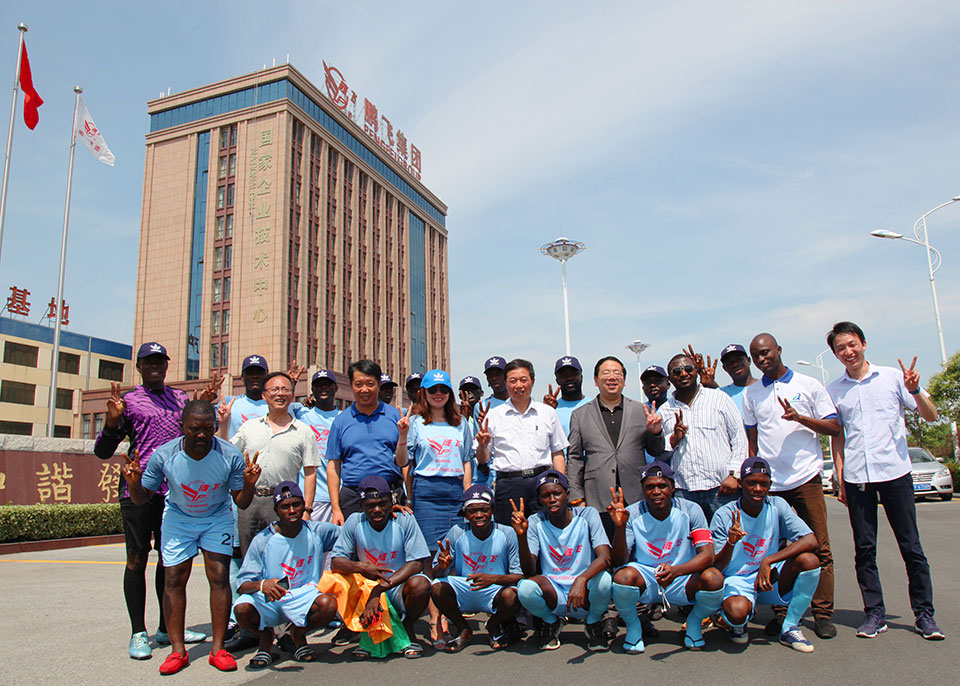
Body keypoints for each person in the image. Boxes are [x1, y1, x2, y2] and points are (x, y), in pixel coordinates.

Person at [94, 341, 221, 659]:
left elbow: (200, 433)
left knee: (172, 561)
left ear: (167, 365)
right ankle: (139, 633)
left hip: (175, 492)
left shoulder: (180, 399)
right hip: (139, 491)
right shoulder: (128, 401)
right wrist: (113, 421)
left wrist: (205, 404)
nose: (155, 366)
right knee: (136, 560)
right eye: (148, 361)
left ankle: (167, 628)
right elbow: (103, 451)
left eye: (160, 361)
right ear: (138, 367)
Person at [121, 400, 259, 674]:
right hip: (179, 518)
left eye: (208, 428)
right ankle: (177, 651)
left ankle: (218, 649)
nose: (202, 435)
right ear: (182, 426)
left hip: (216, 517)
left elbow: (241, 502)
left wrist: (249, 485)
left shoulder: (230, 455)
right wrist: (134, 483)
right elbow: (141, 499)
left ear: (215, 426)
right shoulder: (164, 455)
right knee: (173, 578)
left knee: (219, 576)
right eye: (194, 429)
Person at [825, 321, 943, 640]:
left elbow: (931, 415)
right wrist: (840, 477)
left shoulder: (893, 377)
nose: (848, 352)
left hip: (895, 474)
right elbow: (838, 437)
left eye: (852, 344)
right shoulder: (834, 390)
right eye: (840, 348)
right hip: (858, 478)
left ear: (864, 344)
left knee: (911, 547)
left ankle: (924, 615)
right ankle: (874, 613)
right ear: (835, 355)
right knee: (865, 550)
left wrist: (915, 389)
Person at [742, 333, 840, 639]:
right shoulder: (752, 394)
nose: (762, 359)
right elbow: (752, 440)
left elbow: (834, 426)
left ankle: (822, 613)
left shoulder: (809, 384)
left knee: (819, 546)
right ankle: (782, 612)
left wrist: (801, 418)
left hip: (806, 478)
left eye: (766, 352)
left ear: (779, 350)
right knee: (774, 549)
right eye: (756, 356)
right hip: (772, 485)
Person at [709, 457, 823, 653]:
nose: (758, 489)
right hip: (738, 579)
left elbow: (811, 540)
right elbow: (717, 566)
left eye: (763, 483)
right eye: (751, 483)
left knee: (810, 561)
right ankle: (736, 621)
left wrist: (769, 560)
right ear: (741, 484)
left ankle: (789, 627)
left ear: (770, 485)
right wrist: (731, 542)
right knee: (737, 612)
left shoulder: (777, 505)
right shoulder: (725, 514)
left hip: (768, 576)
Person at [607, 461, 723, 653]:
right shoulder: (631, 513)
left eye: (662, 486)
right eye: (650, 487)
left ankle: (694, 624)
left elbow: (708, 555)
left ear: (672, 487)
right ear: (643, 489)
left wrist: (676, 571)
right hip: (647, 576)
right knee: (622, 577)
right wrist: (619, 528)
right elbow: (619, 561)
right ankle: (634, 628)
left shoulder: (691, 510)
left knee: (714, 578)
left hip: (681, 575)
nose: (656, 491)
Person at [233, 481, 341, 667]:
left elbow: (352, 533)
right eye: (285, 507)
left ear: (304, 505)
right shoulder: (263, 540)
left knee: (329, 604)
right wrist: (262, 584)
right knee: (241, 609)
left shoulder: (317, 531)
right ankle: (265, 638)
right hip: (271, 598)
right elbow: (242, 584)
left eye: (296, 505)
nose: (292, 511)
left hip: (303, 596)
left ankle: (297, 633)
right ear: (276, 510)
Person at [331, 475, 432, 658]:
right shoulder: (354, 521)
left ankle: (406, 628)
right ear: (361, 505)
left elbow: (417, 563)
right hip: (366, 588)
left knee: (421, 584)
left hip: (396, 585)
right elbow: (336, 562)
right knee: (336, 581)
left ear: (391, 502)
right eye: (370, 505)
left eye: (382, 504)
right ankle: (363, 631)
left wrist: (379, 590)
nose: (377, 510)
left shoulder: (404, 519)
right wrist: (362, 567)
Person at [512, 470, 613, 651]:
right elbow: (529, 571)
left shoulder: (587, 514)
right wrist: (521, 537)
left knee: (605, 580)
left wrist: (582, 579)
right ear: (540, 500)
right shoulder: (535, 521)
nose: (552, 499)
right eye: (546, 496)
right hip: (554, 591)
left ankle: (593, 622)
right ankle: (551, 621)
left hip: (584, 591)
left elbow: (605, 557)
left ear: (567, 494)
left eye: (557, 493)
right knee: (525, 588)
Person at [567, 355, 666, 535]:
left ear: (624, 380)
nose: (612, 377)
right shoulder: (580, 415)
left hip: (636, 495)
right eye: (606, 373)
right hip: (598, 497)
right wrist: (576, 497)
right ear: (596, 380)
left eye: (617, 373)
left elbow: (656, 450)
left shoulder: (640, 410)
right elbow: (574, 458)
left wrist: (655, 432)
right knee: (604, 547)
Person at [226, 372, 321, 556]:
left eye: (285, 389)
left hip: (284, 502)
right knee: (249, 557)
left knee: (282, 556)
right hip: (250, 500)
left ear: (292, 395)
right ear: (264, 395)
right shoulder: (249, 427)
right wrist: (223, 424)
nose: (280, 394)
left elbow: (310, 473)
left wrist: (307, 509)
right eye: (274, 389)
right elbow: (228, 454)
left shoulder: (303, 431)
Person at [474, 359, 568, 524]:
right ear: (506, 383)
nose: (518, 385)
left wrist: (561, 484)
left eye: (523, 380)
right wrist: (482, 445)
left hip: (542, 483)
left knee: (545, 531)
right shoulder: (494, 416)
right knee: (510, 533)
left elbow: (558, 452)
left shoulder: (547, 413)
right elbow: (483, 459)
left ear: (532, 381)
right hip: (508, 485)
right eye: (513, 381)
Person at [430, 485, 523, 651]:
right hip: (466, 586)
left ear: (492, 510)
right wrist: (443, 566)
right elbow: (435, 573)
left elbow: (519, 575)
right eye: (472, 511)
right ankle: (463, 629)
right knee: (437, 587)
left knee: (513, 595)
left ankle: (493, 625)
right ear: (465, 514)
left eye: (484, 510)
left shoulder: (507, 533)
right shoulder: (457, 532)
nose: (479, 515)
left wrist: (492, 579)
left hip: (496, 588)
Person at [657, 353, 747, 521]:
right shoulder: (664, 410)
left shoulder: (719, 398)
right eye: (677, 371)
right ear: (669, 378)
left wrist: (735, 475)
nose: (683, 374)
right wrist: (674, 439)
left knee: (728, 534)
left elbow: (739, 437)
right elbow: (660, 454)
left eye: (688, 369)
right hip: (684, 492)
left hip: (721, 488)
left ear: (697, 371)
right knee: (692, 536)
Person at [396, 369, 473, 550]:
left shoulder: (461, 423)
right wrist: (402, 436)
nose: (438, 394)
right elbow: (402, 462)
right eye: (433, 389)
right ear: (423, 393)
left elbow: (466, 461)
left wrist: (468, 495)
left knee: (456, 547)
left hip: (455, 491)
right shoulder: (414, 422)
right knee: (428, 550)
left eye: (443, 389)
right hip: (426, 491)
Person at [327, 360, 404, 525]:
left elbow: (405, 463)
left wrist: (409, 499)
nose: (364, 389)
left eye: (370, 384)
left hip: (390, 495)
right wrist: (336, 509)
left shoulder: (395, 416)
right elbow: (333, 466)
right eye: (358, 384)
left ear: (379, 384)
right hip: (353, 498)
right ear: (350, 385)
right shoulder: (340, 421)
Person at [293, 370, 341, 523]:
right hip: (307, 498)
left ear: (336, 388)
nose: (323, 388)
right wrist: (291, 384)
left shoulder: (343, 418)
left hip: (337, 497)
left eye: (327, 385)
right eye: (319, 385)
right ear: (312, 389)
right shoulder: (301, 416)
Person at [542, 356, 591, 439]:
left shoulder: (594, 406)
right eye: (563, 376)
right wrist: (545, 412)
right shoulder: (551, 409)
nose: (569, 378)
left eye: (574, 374)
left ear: (581, 377)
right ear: (557, 380)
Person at [458, 375, 490, 485]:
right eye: (465, 391)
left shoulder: (489, 415)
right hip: (463, 478)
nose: (469, 393)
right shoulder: (455, 419)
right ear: (460, 395)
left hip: (484, 479)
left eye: (473, 390)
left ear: (481, 393)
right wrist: (463, 419)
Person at [718, 344, 757, 415]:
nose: (735, 365)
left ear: (748, 360)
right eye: (730, 363)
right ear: (724, 368)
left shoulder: (766, 386)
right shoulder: (721, 394)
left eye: (739, 360)